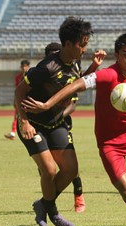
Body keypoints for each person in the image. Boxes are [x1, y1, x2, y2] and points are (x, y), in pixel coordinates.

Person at [20, 33, 126, 226]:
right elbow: (75, 85)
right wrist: (47, 104)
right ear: (117, 54)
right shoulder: (106, 75)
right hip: (110, 143)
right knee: (125, 190)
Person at [14, 17, 106, 226]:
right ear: (67, 44)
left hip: (56, 122)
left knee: (71, 170)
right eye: (81, 44)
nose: (84, 49)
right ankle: (53, 212)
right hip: (34, 124)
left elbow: (74, 83)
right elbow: (19, 92)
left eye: (85, 44)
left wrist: (94, 66)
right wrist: (25, 122)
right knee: (49, 169)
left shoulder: (75, 61)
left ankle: (43, 204)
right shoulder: (46, 67)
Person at [44, 42, 86, 213]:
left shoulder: (68, 75)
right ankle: (49, 203)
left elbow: (73, 105)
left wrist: (58, 116)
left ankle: (78, 194)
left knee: (69, 168)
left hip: (61, 125)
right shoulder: (42, 74)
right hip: (42, 127)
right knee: (46, 169)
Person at [4, 59, 30, 140]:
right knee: (17, 116)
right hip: (20, 100)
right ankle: (13, 133)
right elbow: (17, 89)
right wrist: (15, 100)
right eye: (22, 66)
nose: (23, 68)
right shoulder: (18, 77)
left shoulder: (31, 75)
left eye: (25, 66)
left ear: (28, 67)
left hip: (29, 100)